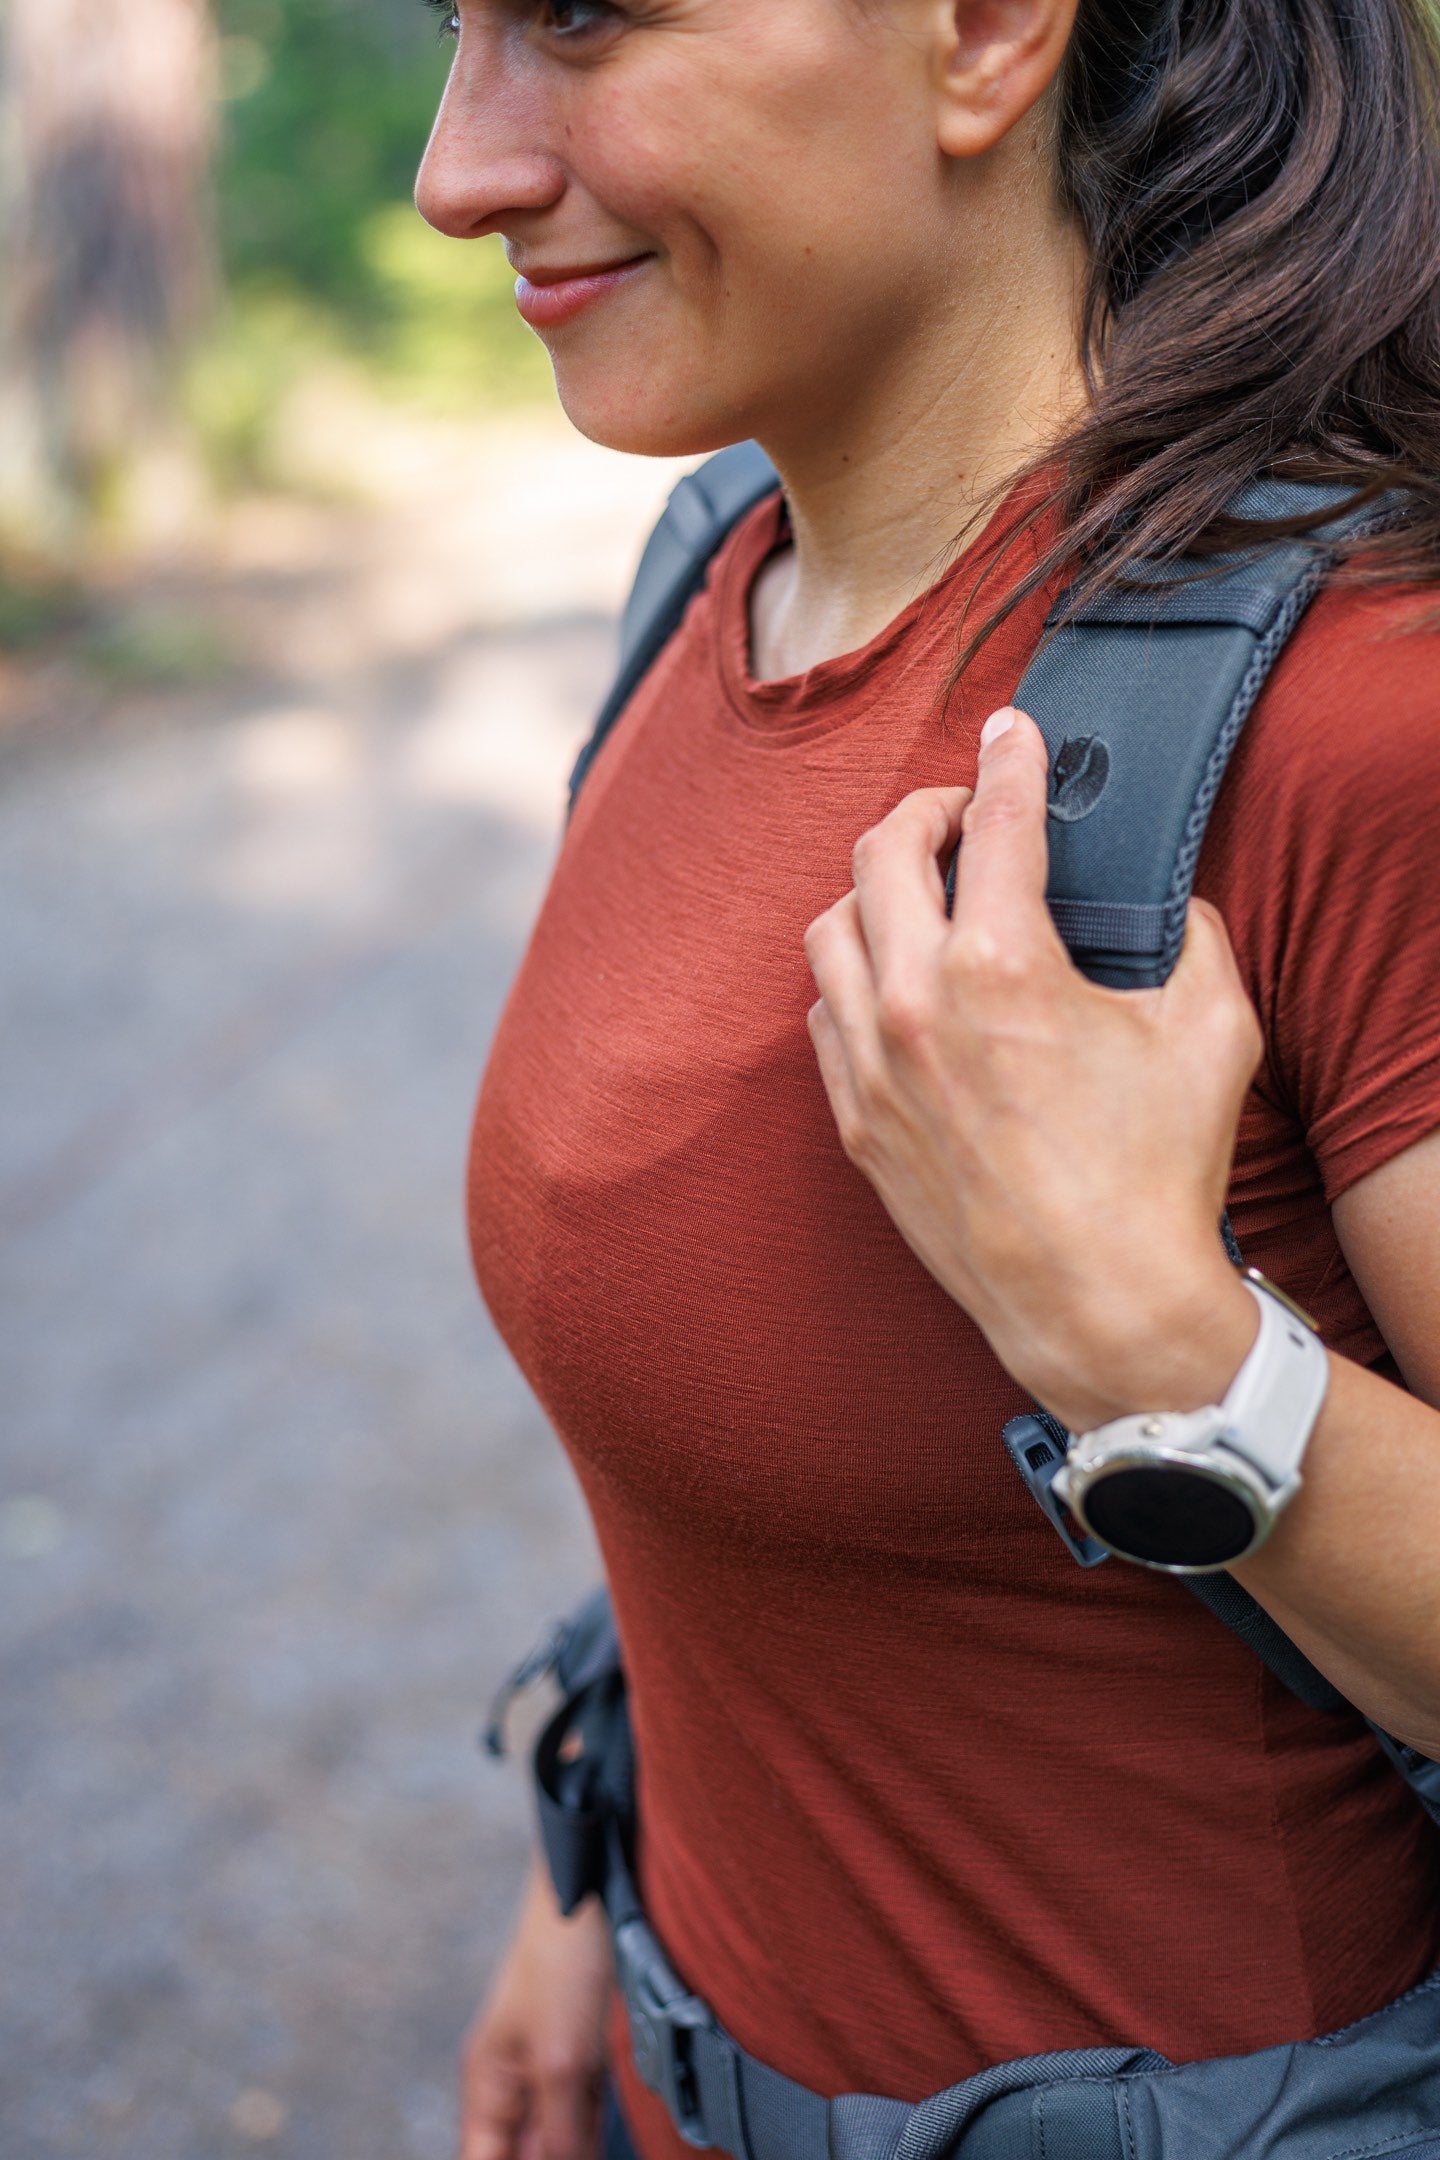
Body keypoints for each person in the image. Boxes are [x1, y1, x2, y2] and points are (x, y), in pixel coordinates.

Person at [414, 0, 1440, 2155]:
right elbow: (782, 1447)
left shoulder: (1366, 723)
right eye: (460, 32)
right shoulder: (720, 570)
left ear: (981, 33)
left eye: (584, 20)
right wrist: (591, 1871)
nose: (459, 171)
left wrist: (1159, 1346)